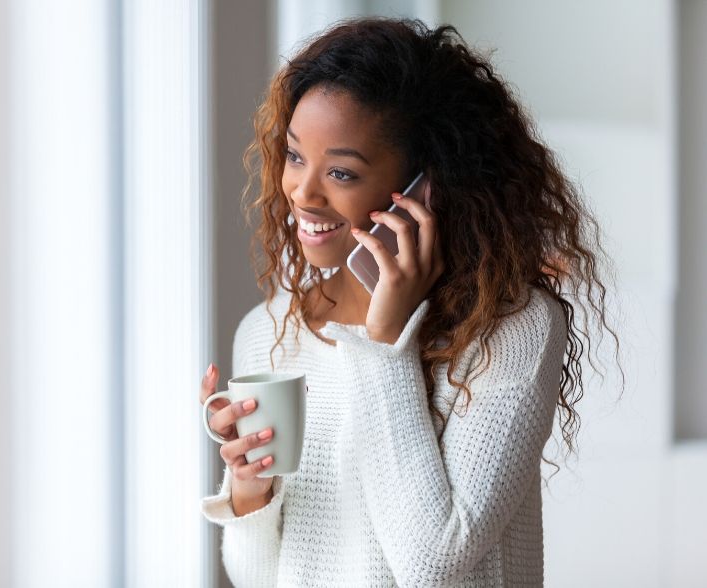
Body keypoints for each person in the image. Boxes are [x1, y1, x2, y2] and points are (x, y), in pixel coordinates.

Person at [199, 17, 618, 587]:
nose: (301, 191)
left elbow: (432, 564)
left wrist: (385, 341)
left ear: (427, 186)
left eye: (341, 171)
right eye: (296, 156)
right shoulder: (269, 330)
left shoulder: (509, 331)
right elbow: (255, 577)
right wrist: (251, 487)